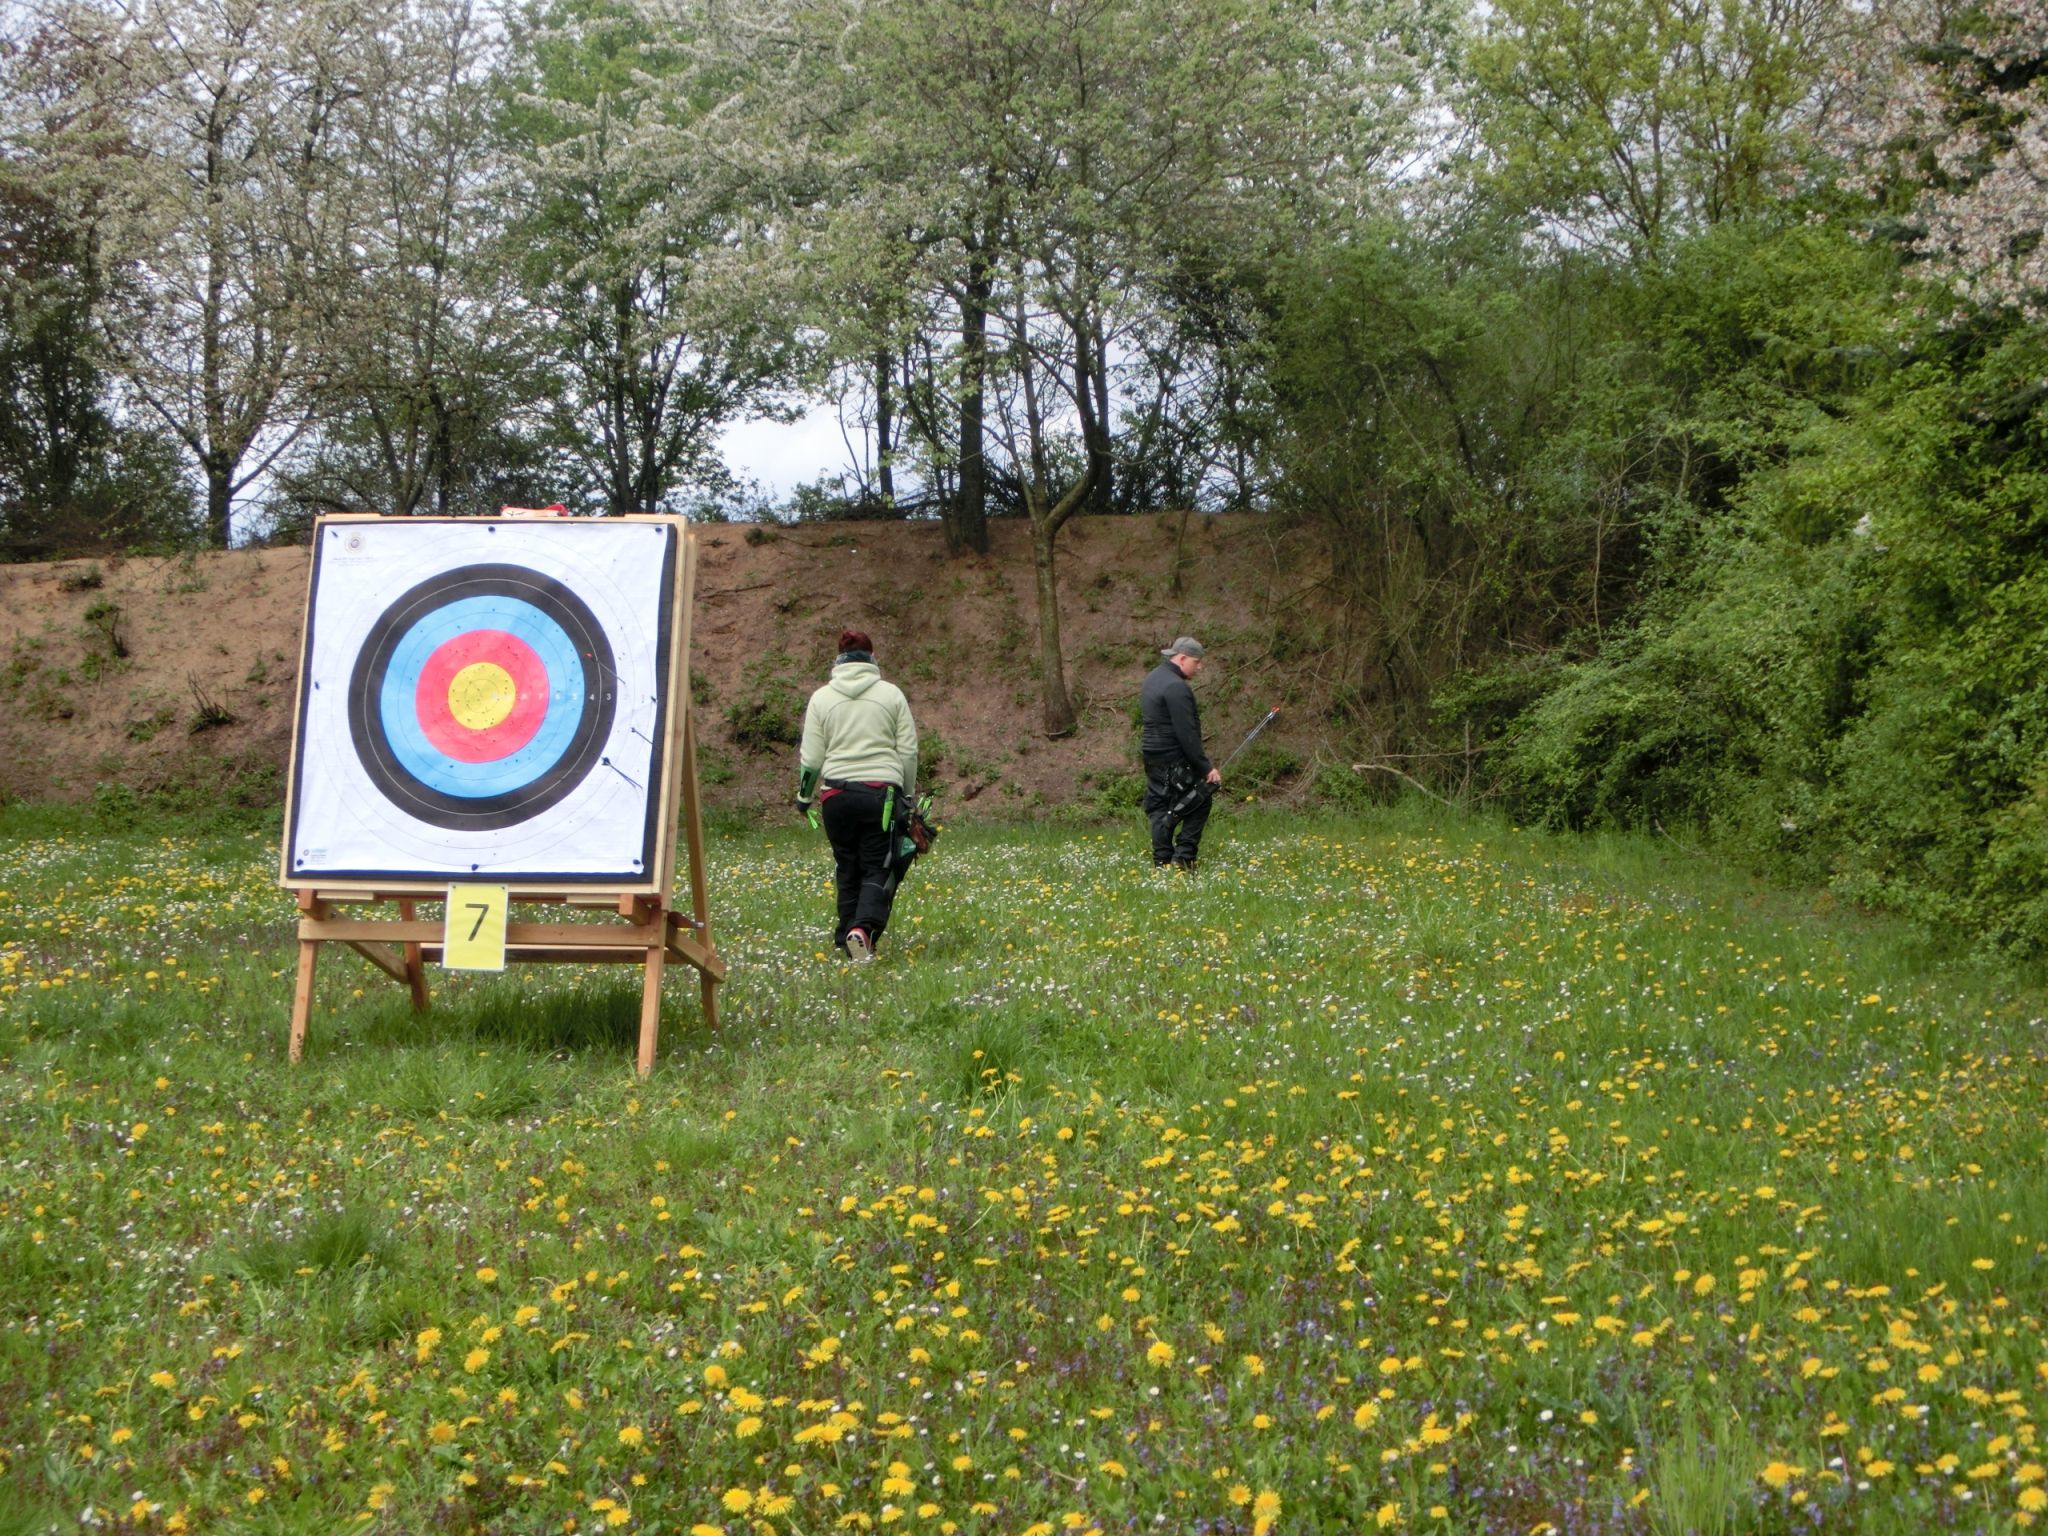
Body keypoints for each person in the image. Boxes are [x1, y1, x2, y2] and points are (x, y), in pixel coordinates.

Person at [795, 628, 920, 961]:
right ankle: (862, 930)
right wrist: (907, 796)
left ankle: (846, 940)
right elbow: (908, 752)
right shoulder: (891, 695)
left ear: (839, 659)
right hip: (880, 796)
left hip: (835, 797)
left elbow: (811, 760)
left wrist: (803, 798)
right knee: (879, 867)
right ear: (872, 657)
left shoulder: (821, 698)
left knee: (847, 868)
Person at [1140, 636, 1220, 871]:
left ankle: (1162, 862)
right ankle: (1184, 858)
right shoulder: (1176, 687)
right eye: (1197, 662)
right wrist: (1206, 768)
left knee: (1159, 806)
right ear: (1182, 658)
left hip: (1152, 754)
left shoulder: (1153, 678)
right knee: (1201, 799)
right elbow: (1187, 734)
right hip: (1174, 757)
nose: (1199, 667)